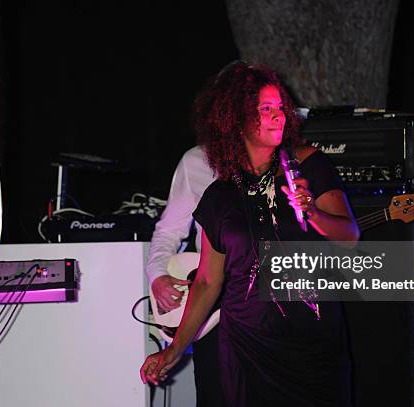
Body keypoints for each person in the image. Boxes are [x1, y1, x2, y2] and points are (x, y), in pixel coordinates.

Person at [141, 61, 360, 406]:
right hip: (244, 343)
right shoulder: (219, 195)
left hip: (311, 337)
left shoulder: (309, 165)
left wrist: (313, 212)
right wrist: (174, 349)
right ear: (236, 118)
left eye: (280, 108)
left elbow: (350, 237)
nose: (278, 116)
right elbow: (207, 283)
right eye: (265, 109)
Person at [145, 141, 224, 405]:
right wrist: (157, 274)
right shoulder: (199, 159)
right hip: (212, 302)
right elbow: (169, 229)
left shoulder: (287, 161)